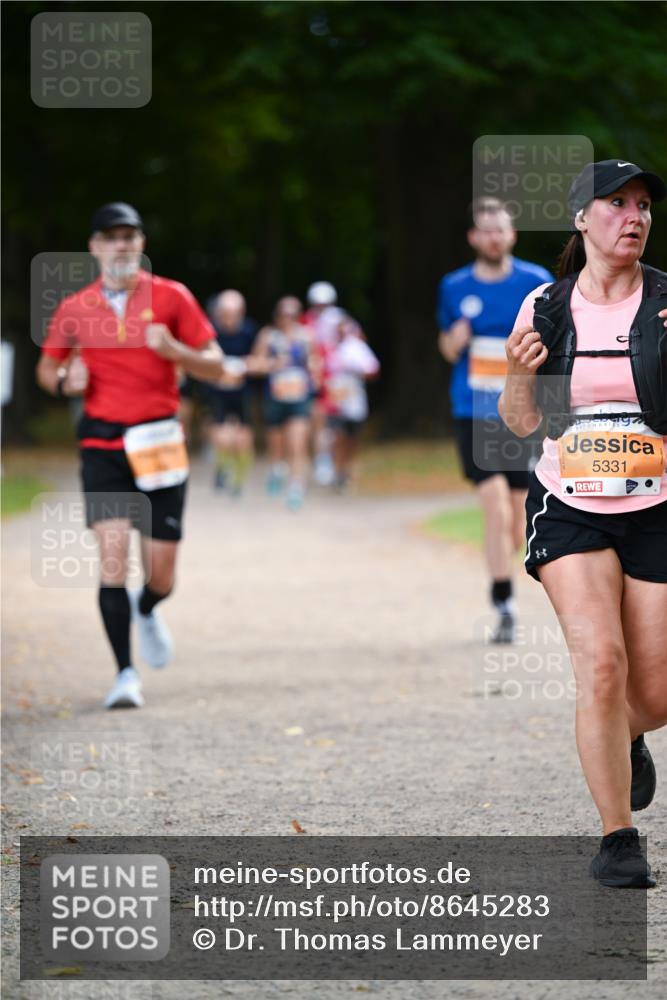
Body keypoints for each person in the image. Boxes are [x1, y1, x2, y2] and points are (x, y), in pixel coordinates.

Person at [498, 160, 667, 888]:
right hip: (567, 502)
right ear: (580, 219)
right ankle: (616, 840)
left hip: (657, 501)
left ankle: (625, 733)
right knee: (600, 665)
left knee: (653, 691)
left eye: (642, 206)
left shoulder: (666, 304)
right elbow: (519, 423)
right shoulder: (544, 306)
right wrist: (513, 373)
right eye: (615, 203)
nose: (633, 216)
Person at [36, 202, 223, 709]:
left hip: (159, 441)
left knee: (162, 573)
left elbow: (217, 365)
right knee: (112, 556)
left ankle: (148, 608)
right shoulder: (75, 307)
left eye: (131, 236)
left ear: (141, 245)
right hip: (102, 444)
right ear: (95, 247)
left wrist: (177, 354)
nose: (122, 245)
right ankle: (124, 674)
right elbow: (46, 368)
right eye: (112, 237)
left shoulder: (172, 297)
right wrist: (62, 381)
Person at [437, 198, 553, 643]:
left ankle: (507, 582)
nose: (493, 236)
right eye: (484, 230)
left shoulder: (535, 282)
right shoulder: (453, 286)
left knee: (518, 519)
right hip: (473, 411)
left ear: (512, 234)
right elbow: (447, 350)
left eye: (500, 229)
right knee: (495, 507)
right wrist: (456, 338)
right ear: (473, 237)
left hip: (521, 411)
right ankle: (504, 601)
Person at [251, 296, 319, 510]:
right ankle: (277, 470)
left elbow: (316, 362)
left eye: (292, 315)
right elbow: (254, 363)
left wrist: (315, 371)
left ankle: (296, 486)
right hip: (275, 398)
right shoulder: (268, 336)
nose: (287, 319)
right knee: (277, 445)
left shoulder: (306, 336)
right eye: (283, 314)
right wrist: (271, 364)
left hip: (300, 398)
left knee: (297, 443)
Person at [205, 289, 259, 495]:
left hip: (242, 390)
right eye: (224, 312)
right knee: (221, 436)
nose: (228, 318)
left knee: (243, 438)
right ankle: (223, 469)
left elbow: (259, 358)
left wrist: (246, 366)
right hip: (217, 391)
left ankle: (238, 479)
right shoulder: (211, 331)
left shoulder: (249, 331)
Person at [324, 314, 380, 491]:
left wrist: (354, 370)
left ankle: (345, 470)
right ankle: (336, 471)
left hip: (354, 400)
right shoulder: (328, 348)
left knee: (352, 437)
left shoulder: (356, 348)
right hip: (335, 401)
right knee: (337, 435)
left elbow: (373, 370)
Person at [303, 281, 343, 486]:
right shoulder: (306, 322)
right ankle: (321, 459)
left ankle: (336, 464)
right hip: (315, 378)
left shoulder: (340, 320)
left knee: (337, 423)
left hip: (337, 377)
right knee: (317, 419)